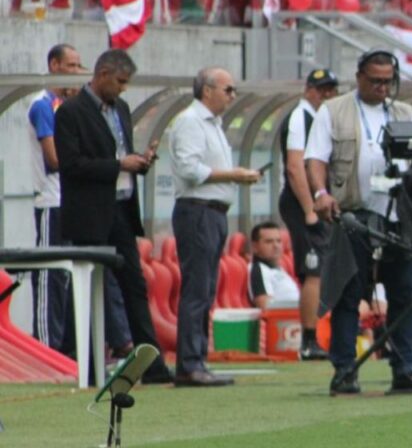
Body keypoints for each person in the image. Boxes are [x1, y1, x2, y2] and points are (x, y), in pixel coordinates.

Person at [306, 48, 412, 396]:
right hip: (354, 213)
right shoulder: (333, 111)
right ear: (359, 77)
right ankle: (345, 369)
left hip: (399, 214)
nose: (382, 87)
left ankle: (405, 368)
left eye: (388, 81)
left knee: (405, 292)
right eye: (375, 81)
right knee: (350, 291)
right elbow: (315, 158)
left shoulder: (404, 111)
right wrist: (320, 194)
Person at [54, 49, 174, 384]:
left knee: (134, 285)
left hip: (122, 208)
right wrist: (120, 165)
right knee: (91, 286)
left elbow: (120, 154)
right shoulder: (71, 113)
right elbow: (71, 165)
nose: (123, 90)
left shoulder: (120, 109)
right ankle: (85, 363)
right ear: (103, 73)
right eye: (120, 82)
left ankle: (150, 364)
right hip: (91, 214)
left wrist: (138, 161)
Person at [168, 67, 260, 387]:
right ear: (207, 91)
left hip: (213, 212)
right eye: (228, 89)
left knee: (206, 289)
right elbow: (190, 169)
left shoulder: (213, 124)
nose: (232, 96)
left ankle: (197, 360)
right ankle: (190, 364)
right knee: (197, 289)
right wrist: (234, 175)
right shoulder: (191, 122)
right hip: (198, 211)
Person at [25, 43, 82, 354]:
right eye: (71, 66)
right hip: (51, 202)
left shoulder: (68, 105)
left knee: (71, 276)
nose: (76, 72)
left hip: (71, 202)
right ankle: (47, 349)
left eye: (78, 66)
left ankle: (70, 350)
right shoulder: (43, 105)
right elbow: (55, 158)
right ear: (55, 65)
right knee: (50, 276)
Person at [278, 67, 338, 360]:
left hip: (316, 203)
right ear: (308, 89)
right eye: (321, 89)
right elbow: (295, 166)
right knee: (312, 270)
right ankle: (309, 339)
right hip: (303, 204)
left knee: (323, 268)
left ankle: (319, 336)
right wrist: (309, 209)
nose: (327, 94)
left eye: (331, 89)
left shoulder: (318, 117)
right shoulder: (300, 117)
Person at [247, 221, 300, 309]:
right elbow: (265, 307)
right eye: (269, 242)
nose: (276, 246)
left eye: (278, 241)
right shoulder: (258, 270)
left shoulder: (277, 268)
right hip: (284, 320)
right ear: (255, 247)